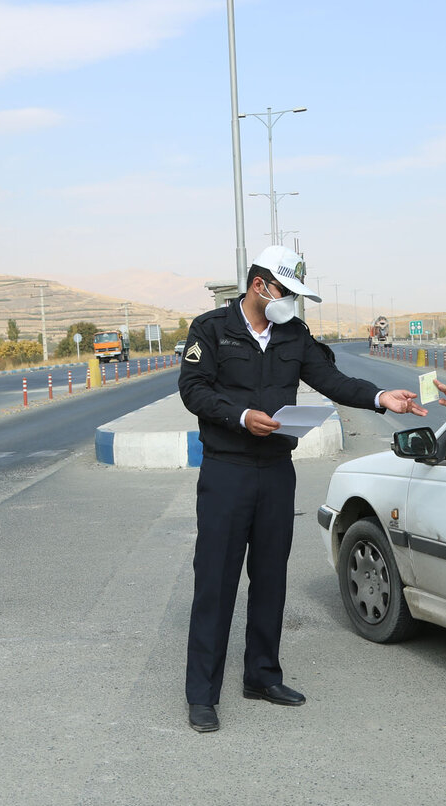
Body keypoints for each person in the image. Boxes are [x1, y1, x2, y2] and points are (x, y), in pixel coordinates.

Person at [178, 245, 427, 733]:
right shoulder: (210, 329)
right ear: (259, 286)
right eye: (286, 291)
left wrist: (381, 398)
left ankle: (263, 676)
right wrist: (241, 416)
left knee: (270, 578)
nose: (291, 301)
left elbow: (330, 378)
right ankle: (201, 695)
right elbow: (193, 389)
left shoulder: (293, 332)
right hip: (226, 471)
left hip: (275, 471)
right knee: (216, 583)